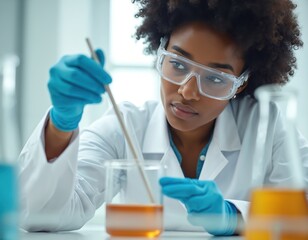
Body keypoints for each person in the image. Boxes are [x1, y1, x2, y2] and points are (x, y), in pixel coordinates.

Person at [19, 0, 308, 236]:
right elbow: (40, 214)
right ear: (160, 53)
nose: (187, 91)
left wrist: (233, 216)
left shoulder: (266, 127)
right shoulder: (126, 124)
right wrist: (61, 123)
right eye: (178, 64)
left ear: (241, 84)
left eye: (216, 78)